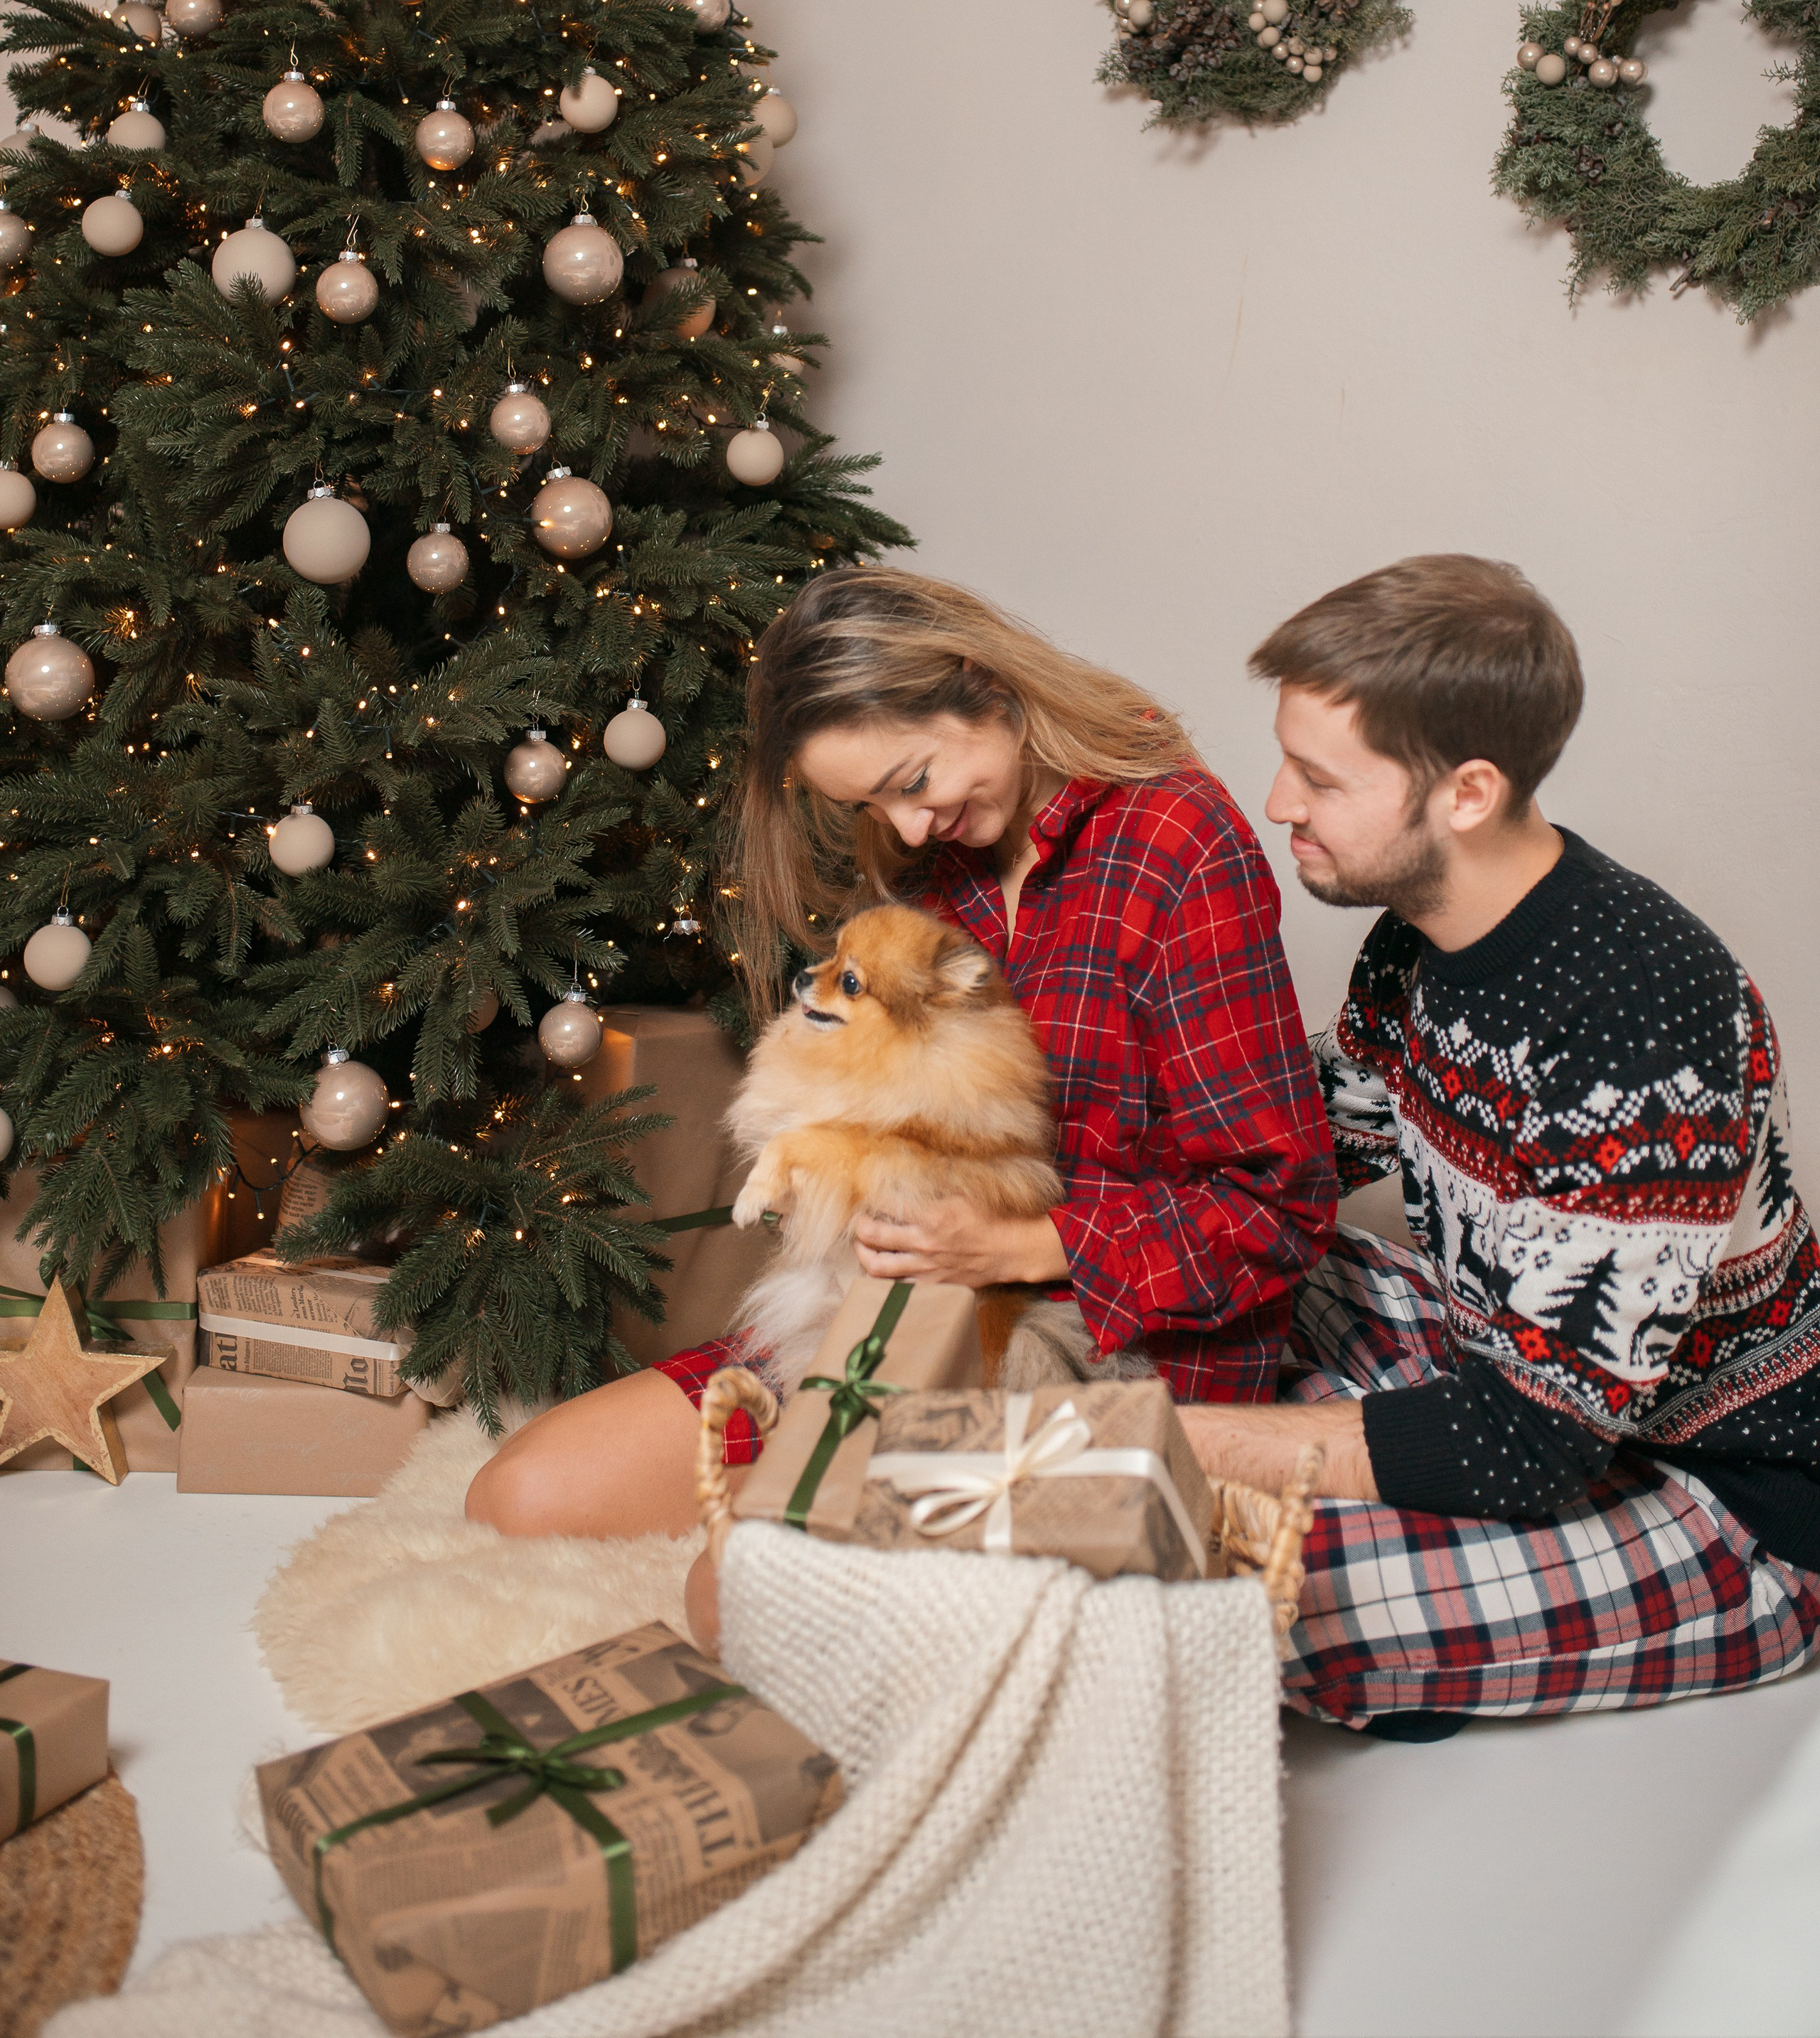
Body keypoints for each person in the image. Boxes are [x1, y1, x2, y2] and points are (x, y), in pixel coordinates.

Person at [466, 567, 1334, 1540]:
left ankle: (855, 1520)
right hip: (897, 1318)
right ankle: (832, 1491)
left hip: (1106, 1353)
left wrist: (1013, 1245)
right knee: (518, 1496)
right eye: (874, 808)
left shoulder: (1178, 840)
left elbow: (1278, 1206)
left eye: (914, 780)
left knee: (745, 1598)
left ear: (983, 684)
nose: (912, 826)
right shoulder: (937, 863)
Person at [1178, 552, 1820, 1735]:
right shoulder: (1413, 938)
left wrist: (1165, 1441)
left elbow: (1532, 1448)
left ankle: (1431, 1614)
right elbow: (1296, 1152)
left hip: (1713, 1483)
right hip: (1512, 1369)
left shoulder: (1640, 1023)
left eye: (1319, 776)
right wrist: (1051, 1216)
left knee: (1216, 1595)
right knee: (1222, 1276)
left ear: (1466, 792)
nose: (1277, 802)